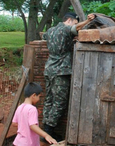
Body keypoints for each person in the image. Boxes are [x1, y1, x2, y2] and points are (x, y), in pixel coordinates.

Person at [42, 12, 95, 141]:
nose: (76, 26)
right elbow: (74, 29)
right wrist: (87, 21)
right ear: (70, 20)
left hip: (49, 69)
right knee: (60, 102)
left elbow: (43, 37)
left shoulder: (50, 30)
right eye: (75, 22)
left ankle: (44, 128)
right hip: (61, 70)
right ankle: (48, 131)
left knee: (49, 99)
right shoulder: (66, 29)